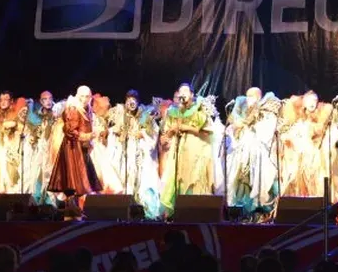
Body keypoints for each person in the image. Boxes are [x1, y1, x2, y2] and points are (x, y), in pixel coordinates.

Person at [160, 83, 214, 218]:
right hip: (178, 148)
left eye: (186, 91)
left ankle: (193, 210)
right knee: (177, 176)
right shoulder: (173, 111)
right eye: (180, 91)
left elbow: (202, 130)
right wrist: (168, 135)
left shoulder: (199, 109)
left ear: (191, 95)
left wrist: (182, 127)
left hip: (194, 146)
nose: (182, 94)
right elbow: (168, 131)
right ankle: (177, 211)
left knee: (192, 176)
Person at [226, 87, 281, 216]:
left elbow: (267, 129)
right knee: (239, 176)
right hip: (241, 149)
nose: (250, 99)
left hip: (259, 150)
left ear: (259, 96)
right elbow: (234, 127)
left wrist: (253, 122)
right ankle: (242, 208)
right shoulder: (241, 109)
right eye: (248, 96)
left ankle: (259, 207)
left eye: (253, 96)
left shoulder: (266, 109)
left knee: (259, 176)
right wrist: (240, 125)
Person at [107, 91, 162, 219]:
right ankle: (125, 208)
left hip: (140, 154)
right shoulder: (119, 115)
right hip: (124, 153)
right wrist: (116, 132)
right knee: (126, 178)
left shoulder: (145, 115)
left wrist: (142, 134)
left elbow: (153, 133)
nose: (132, 103)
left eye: (134, 100)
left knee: (141, 181)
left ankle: (141, 209)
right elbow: (112, 131)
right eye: (129, 100)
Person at [49, 86, 102, 208]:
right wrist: (88, 136)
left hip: (82, 148)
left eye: (87, 96)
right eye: (82, 96)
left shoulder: (87, 108)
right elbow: (70, 131)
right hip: (72, 149)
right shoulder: (73, 108)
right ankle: (71, 211)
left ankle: (77, 210)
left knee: (82, 181)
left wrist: (91, 138)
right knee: (72, 180)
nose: (84, 99)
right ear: (77, 96)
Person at [288, 91, 334, 198]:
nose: (312, 103)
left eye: (315, 100)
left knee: (316, 179)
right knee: (300, 179)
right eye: (310, 100)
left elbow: (323, 133)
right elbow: (294, 134)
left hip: (316, 153)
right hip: (302, 153)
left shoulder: (322, 117)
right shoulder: (300, 119)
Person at [23, 91, 62, 206]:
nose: (48, 101)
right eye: (45, 99)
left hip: (54, 149)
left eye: (50, 98)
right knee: (38, 173)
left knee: (51, 174)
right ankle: (38, 201)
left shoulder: (57, 112)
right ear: (40, 101)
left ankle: (52, 202)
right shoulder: (39, 115)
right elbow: (34, 122)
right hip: (41, 148)